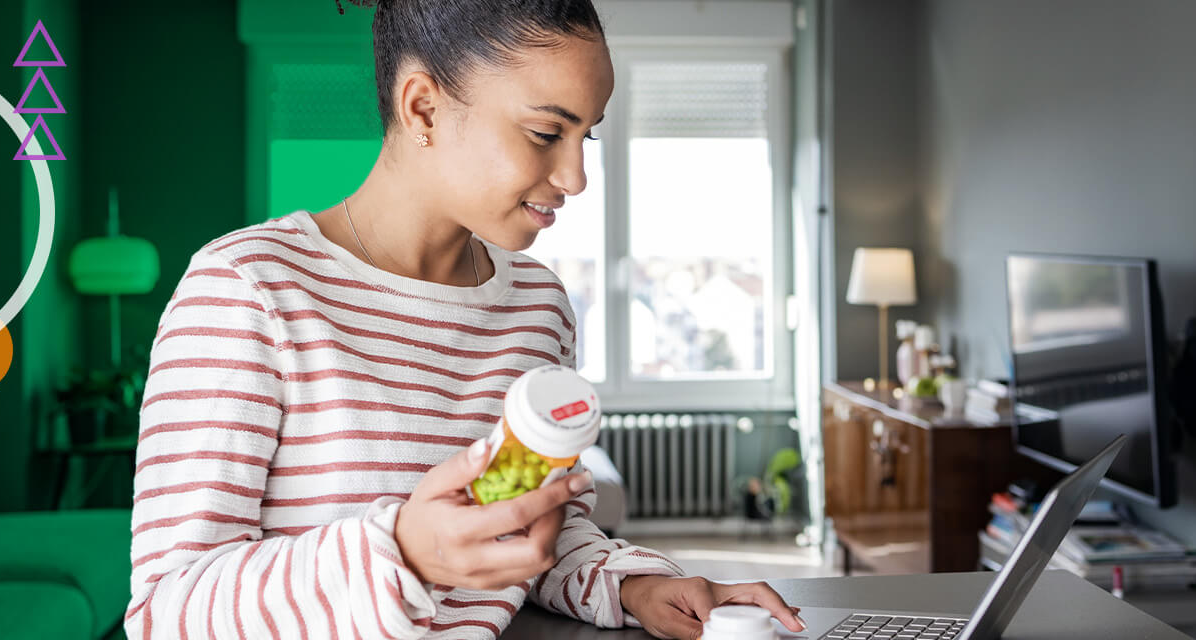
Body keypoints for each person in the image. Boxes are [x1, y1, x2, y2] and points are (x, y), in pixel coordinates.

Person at [124, 1, 807, 638]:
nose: (575, 178)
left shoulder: (538, 309)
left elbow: (533, 533)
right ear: (422, 107)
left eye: (585, 136)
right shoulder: (249, 289)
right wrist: (405, 556)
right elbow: (166, 607)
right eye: (546, 132)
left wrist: (637, 586)